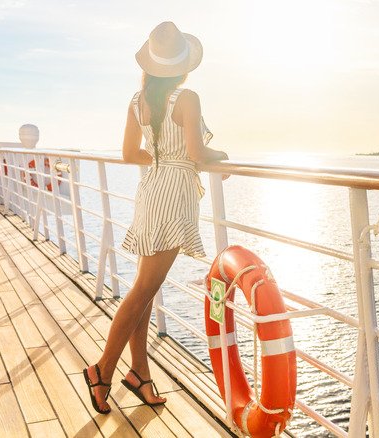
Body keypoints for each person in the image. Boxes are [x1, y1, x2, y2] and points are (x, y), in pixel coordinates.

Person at [83, 21, 228, 414]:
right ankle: (102, 370)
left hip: (151, 191)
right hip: (175, 194)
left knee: (145, 289)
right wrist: (220, 158)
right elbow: (198, 154)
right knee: (143, 290)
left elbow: (131, 154)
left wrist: (163, 160)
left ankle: (139, 373)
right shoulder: (188, 97)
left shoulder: (138, 100)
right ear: (183, 65)